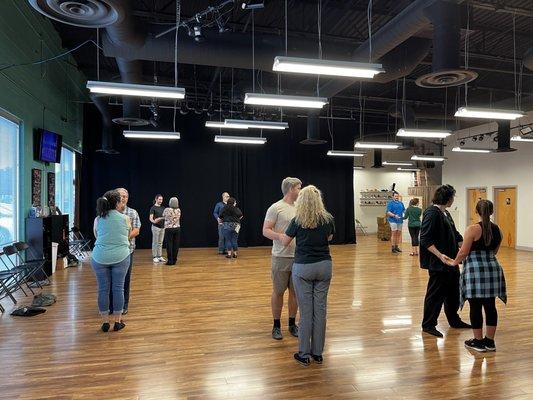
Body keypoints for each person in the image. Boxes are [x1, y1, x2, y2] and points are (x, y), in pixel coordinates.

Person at [280, 185, 335, 366]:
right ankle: (318, 353)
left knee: (306, 312)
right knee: (320, 311)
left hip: (303, 267)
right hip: (324, 266)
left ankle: (304, 354)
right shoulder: (328, 219)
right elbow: (329, 238)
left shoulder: (297, 220)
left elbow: (286, 241)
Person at [447, 200, 507, 352]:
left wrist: (454, 263)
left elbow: (464, 252)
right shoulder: (498, 229)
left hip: (475, 270)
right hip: (493, 269)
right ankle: (490, 341)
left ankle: (478, 341)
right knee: (490, 305)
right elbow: (494, 252)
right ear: (492, 212)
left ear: (477, 212)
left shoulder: (473, 229)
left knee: (475, 306)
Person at [420, 184, 471, 337]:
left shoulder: (445, 213)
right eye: (452, 197)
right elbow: (425, 239)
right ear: (447, 198)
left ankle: (454, 320)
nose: (453, 200)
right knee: (435, 295)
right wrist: (440, 255)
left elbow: (455, 235)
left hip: (452, 262)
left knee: (453, 293)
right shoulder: (432, 213)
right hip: (439, 263)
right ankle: (428, 324)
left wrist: (466, 249)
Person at [262, 177, 301, 341]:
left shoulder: (301, 208)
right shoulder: (276, 208)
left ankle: (292, 323)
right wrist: (282, 237)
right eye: (299, 187)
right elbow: (265, 230)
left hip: (299, 258)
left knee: (295, 293)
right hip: (280, 257)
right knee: (278, 292)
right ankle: (276, 325)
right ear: (291, 188)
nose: (301, 190)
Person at [91, 190, 130, 332]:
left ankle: (105, 322)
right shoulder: (125, 218)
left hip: (99, 257)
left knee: (103, 289)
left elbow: (96, 235)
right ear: (118, 202)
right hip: (121, 256)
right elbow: (127, 235)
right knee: (118, 288)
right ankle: (118, 322)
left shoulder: (98, 219)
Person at [109, 188, 141, 315]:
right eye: (121, 196)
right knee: (110, 278)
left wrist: (122, 238)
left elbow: (137, 230)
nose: (123, 198)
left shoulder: (132, 212)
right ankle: (111, 305)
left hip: (127, 250)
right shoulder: (109, 212)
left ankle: (124, 305)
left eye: (125, 196)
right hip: (111, 250)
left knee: (125, 278)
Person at [163, 197, 181, 266]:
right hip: (177, 228)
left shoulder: (167, 209)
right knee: (176, 245)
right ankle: (174, 260)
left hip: (169, 229)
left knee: (169, 245)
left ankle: (170, 261)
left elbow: (163, 216)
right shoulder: (179, 210)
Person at [149, 194, 166, 264]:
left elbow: (165, 217)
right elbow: (150, 218)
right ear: (156, 199)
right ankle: (155, 256)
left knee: (160, 242)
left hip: (163, 227)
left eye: (161, 199)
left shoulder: (163, 208)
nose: (161, 201)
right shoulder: (153, 208)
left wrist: (162, 218)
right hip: (156, 227)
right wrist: (155, 221)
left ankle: (159, 256)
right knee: (155, 242)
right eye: (159, 199)